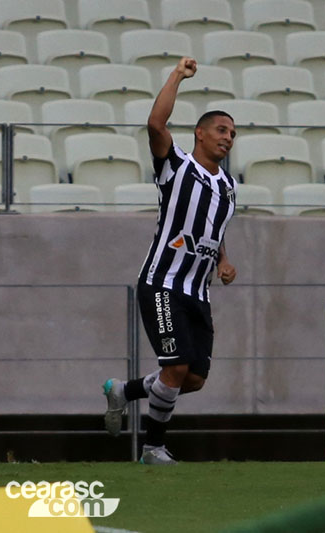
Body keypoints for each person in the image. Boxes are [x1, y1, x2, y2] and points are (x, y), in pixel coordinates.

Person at [102, 57, 238, 465]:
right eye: (220, 129)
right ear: (199, 133)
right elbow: (156, 125)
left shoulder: (229, 186)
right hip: (163, 283)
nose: (228, 138)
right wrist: (178, 75)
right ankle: (152, 449)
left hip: (199, 292)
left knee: (192, 379)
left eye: (232, 133)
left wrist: (223, 261)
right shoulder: (175, 165)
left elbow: (215, 229)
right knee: (175, 370)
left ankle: (122, 392)